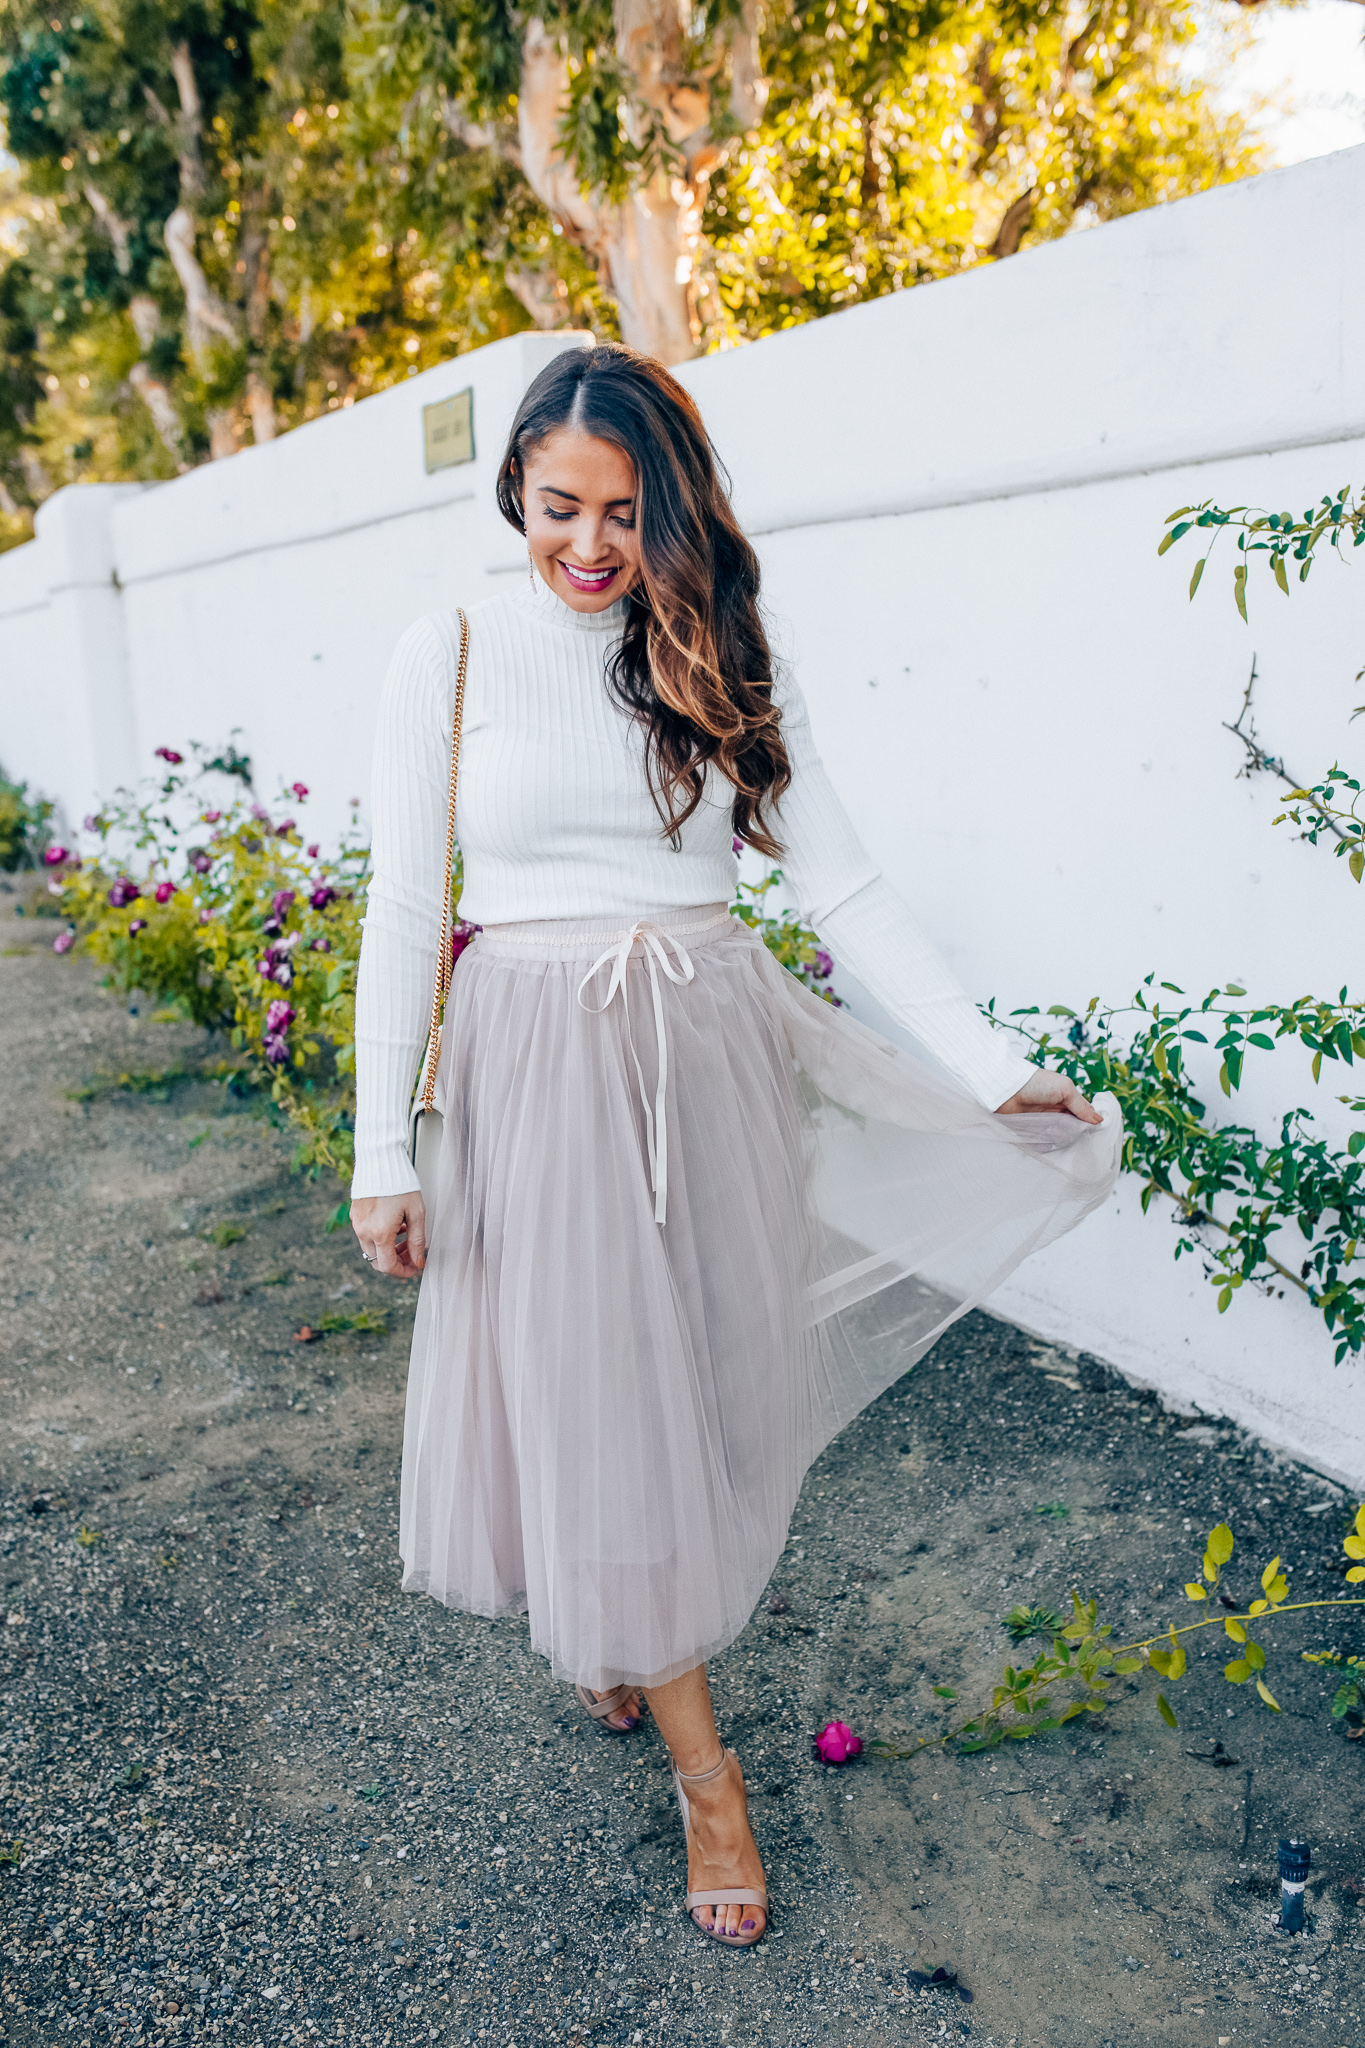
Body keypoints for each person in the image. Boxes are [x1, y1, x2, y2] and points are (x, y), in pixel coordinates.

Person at [349, 343, 1118, 1948]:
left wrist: (993, 1072)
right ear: (513, 491)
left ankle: (626, 1627)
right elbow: (409, 905)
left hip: (705, 1051)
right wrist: (380, 1149)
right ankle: (711, 1780)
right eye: (558, 506)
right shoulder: (457, 644)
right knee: (597, 1395)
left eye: (624, 513)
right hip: (536, 1069)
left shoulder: (716, 647)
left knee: (691, 1383)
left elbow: (840, 885)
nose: (587, 546)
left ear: (670, 507)